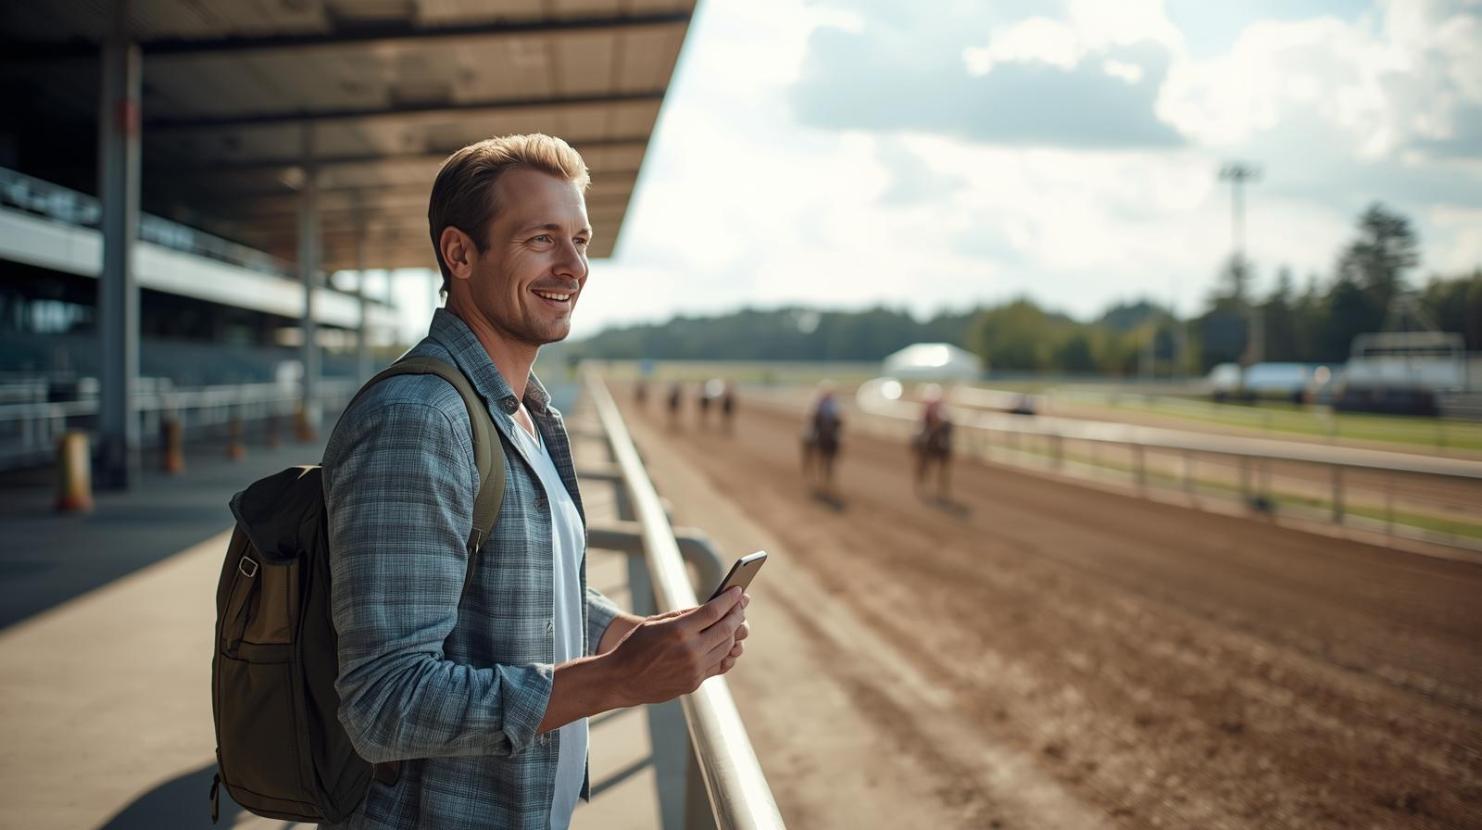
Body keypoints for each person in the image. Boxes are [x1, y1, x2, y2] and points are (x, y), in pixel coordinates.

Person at [321, 134, 749, 830]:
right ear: (460, 254)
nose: (573, 267)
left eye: (580, 240)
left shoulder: (522, 411)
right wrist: (616, 679)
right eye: (541, 239)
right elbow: (384, 704)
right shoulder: (419, 420)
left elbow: (518, 581)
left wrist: (629, 635)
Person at [801, 383, 843, 495]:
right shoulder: (816, 402)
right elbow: (810, 415)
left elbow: (838, 417)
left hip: (830, 429)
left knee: (838, 437)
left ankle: (828, 479)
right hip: (818, 428)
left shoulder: (834, 403)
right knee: (810, 434)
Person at [912, 385, 954, 500]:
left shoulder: (944, 409)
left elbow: (948, 423)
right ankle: (918, 446)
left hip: (940, 431)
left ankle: (942, 487)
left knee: (945, 436)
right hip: (927, 428)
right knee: (920, 433)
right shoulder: (926, 409)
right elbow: (922, 421)